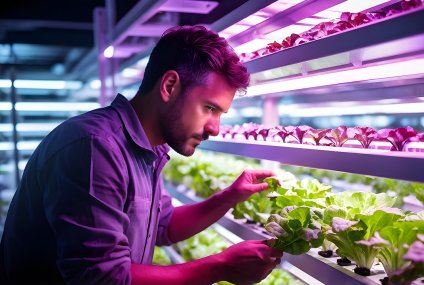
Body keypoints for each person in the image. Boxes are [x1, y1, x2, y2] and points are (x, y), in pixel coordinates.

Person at [0, 26, 283, 285]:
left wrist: (229, 197)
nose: (215, 128)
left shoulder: (148, 146)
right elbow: (102, 277)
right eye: (209, 108)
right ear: (169, 86)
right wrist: (218, 267)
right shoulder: (95, 146)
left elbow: (164, 225)